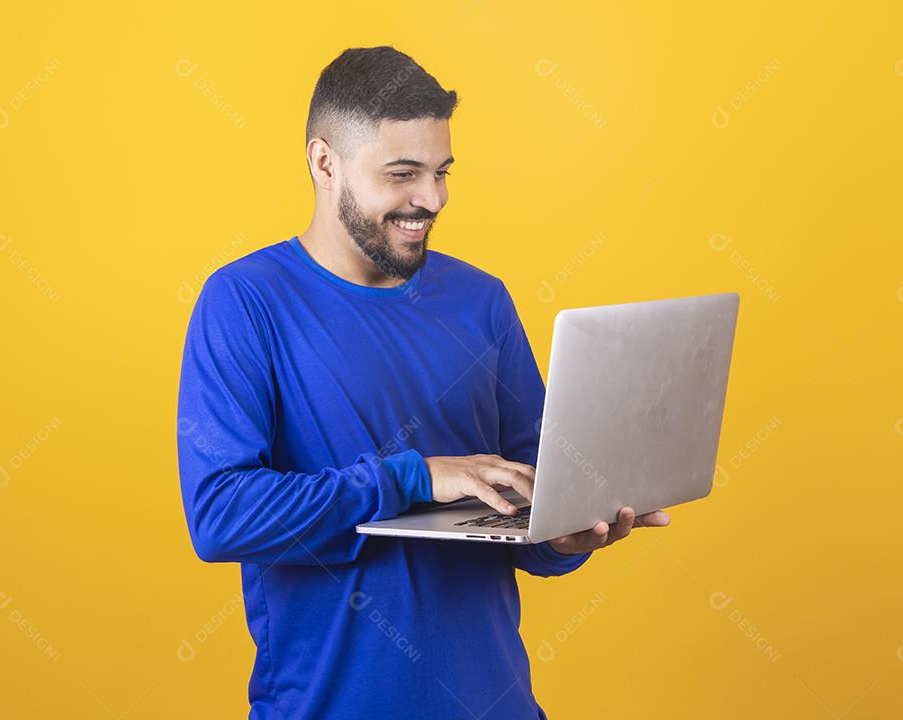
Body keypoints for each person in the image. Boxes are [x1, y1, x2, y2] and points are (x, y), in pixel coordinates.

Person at [176, 45, 671, 720]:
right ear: (325, 164)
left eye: (441, 173)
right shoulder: (245, 302)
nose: (430, 200)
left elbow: (535, 498)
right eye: (402, 174)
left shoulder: (482, 300)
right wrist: (412, 478)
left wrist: (564, 536)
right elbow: (222, 515)